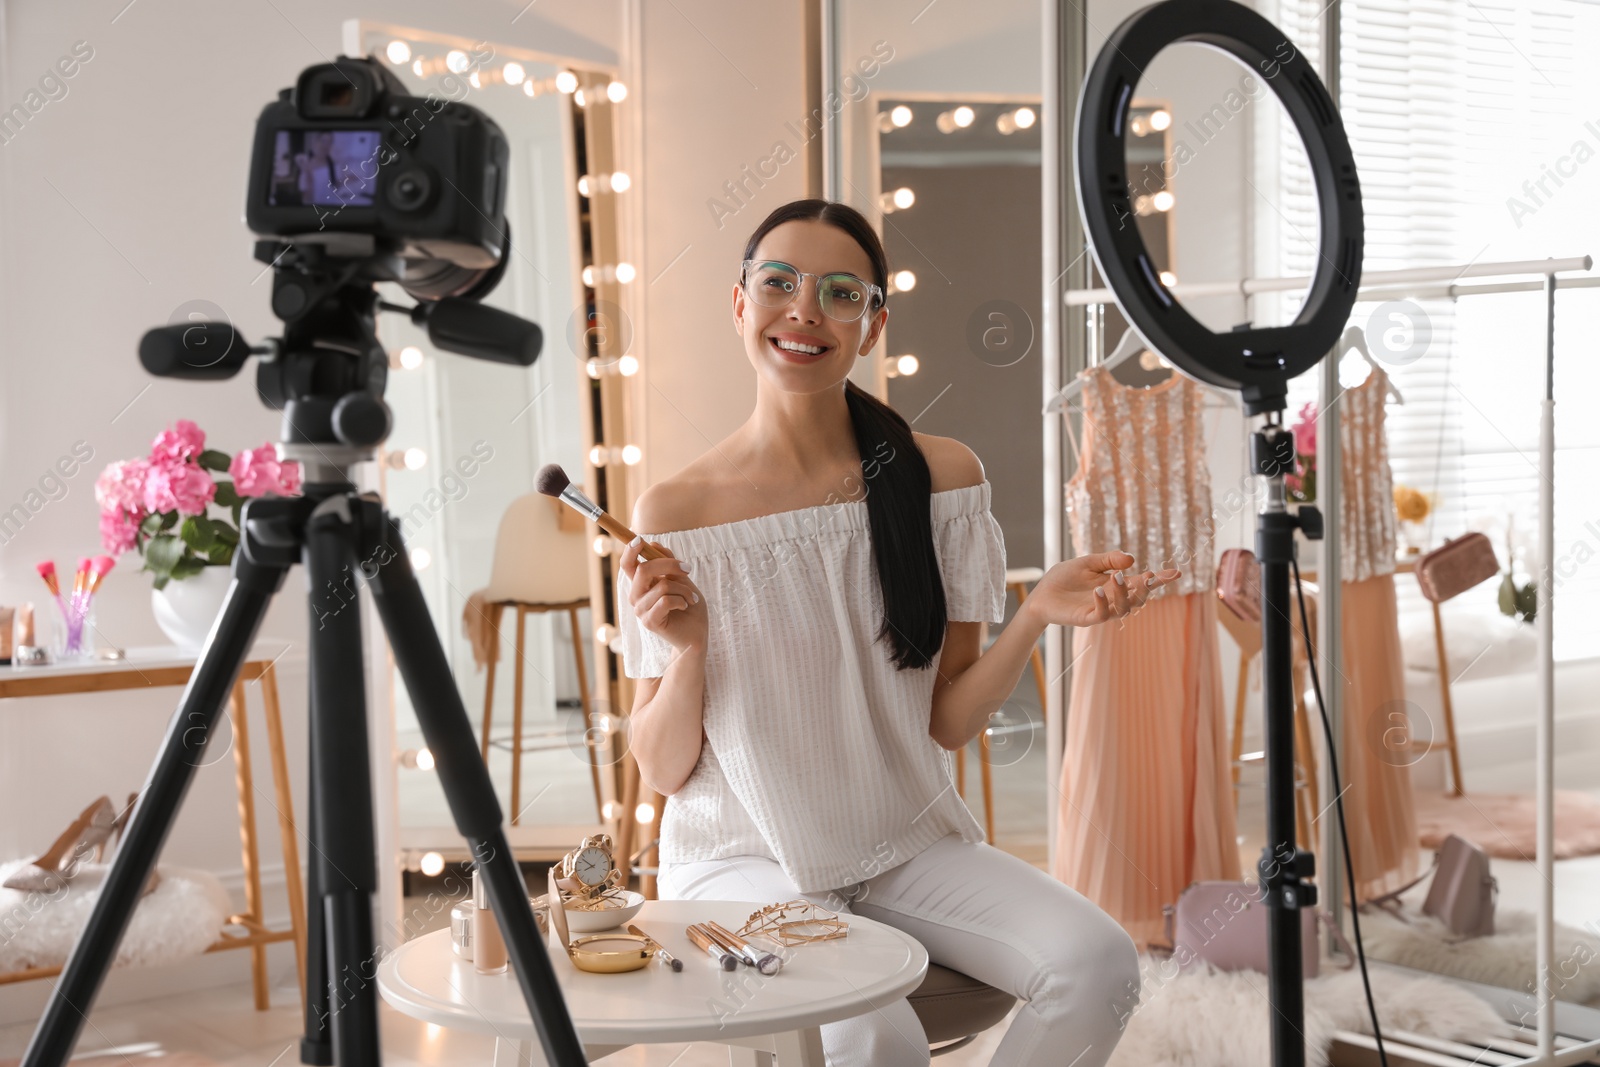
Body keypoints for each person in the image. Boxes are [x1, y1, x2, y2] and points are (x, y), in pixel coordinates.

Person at [615, 199, 1176, 1067]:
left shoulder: (941, 480)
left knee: (1099, 964)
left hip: (898, 842)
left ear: (873, 325)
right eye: (779, 283)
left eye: (841, 292)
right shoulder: (674, 512)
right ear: (740, 305)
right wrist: (689, 648)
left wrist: (1031, 618)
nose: (805, 309)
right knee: (877, 1030)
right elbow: (659, 767)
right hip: (738, 861)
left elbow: (945, 721)